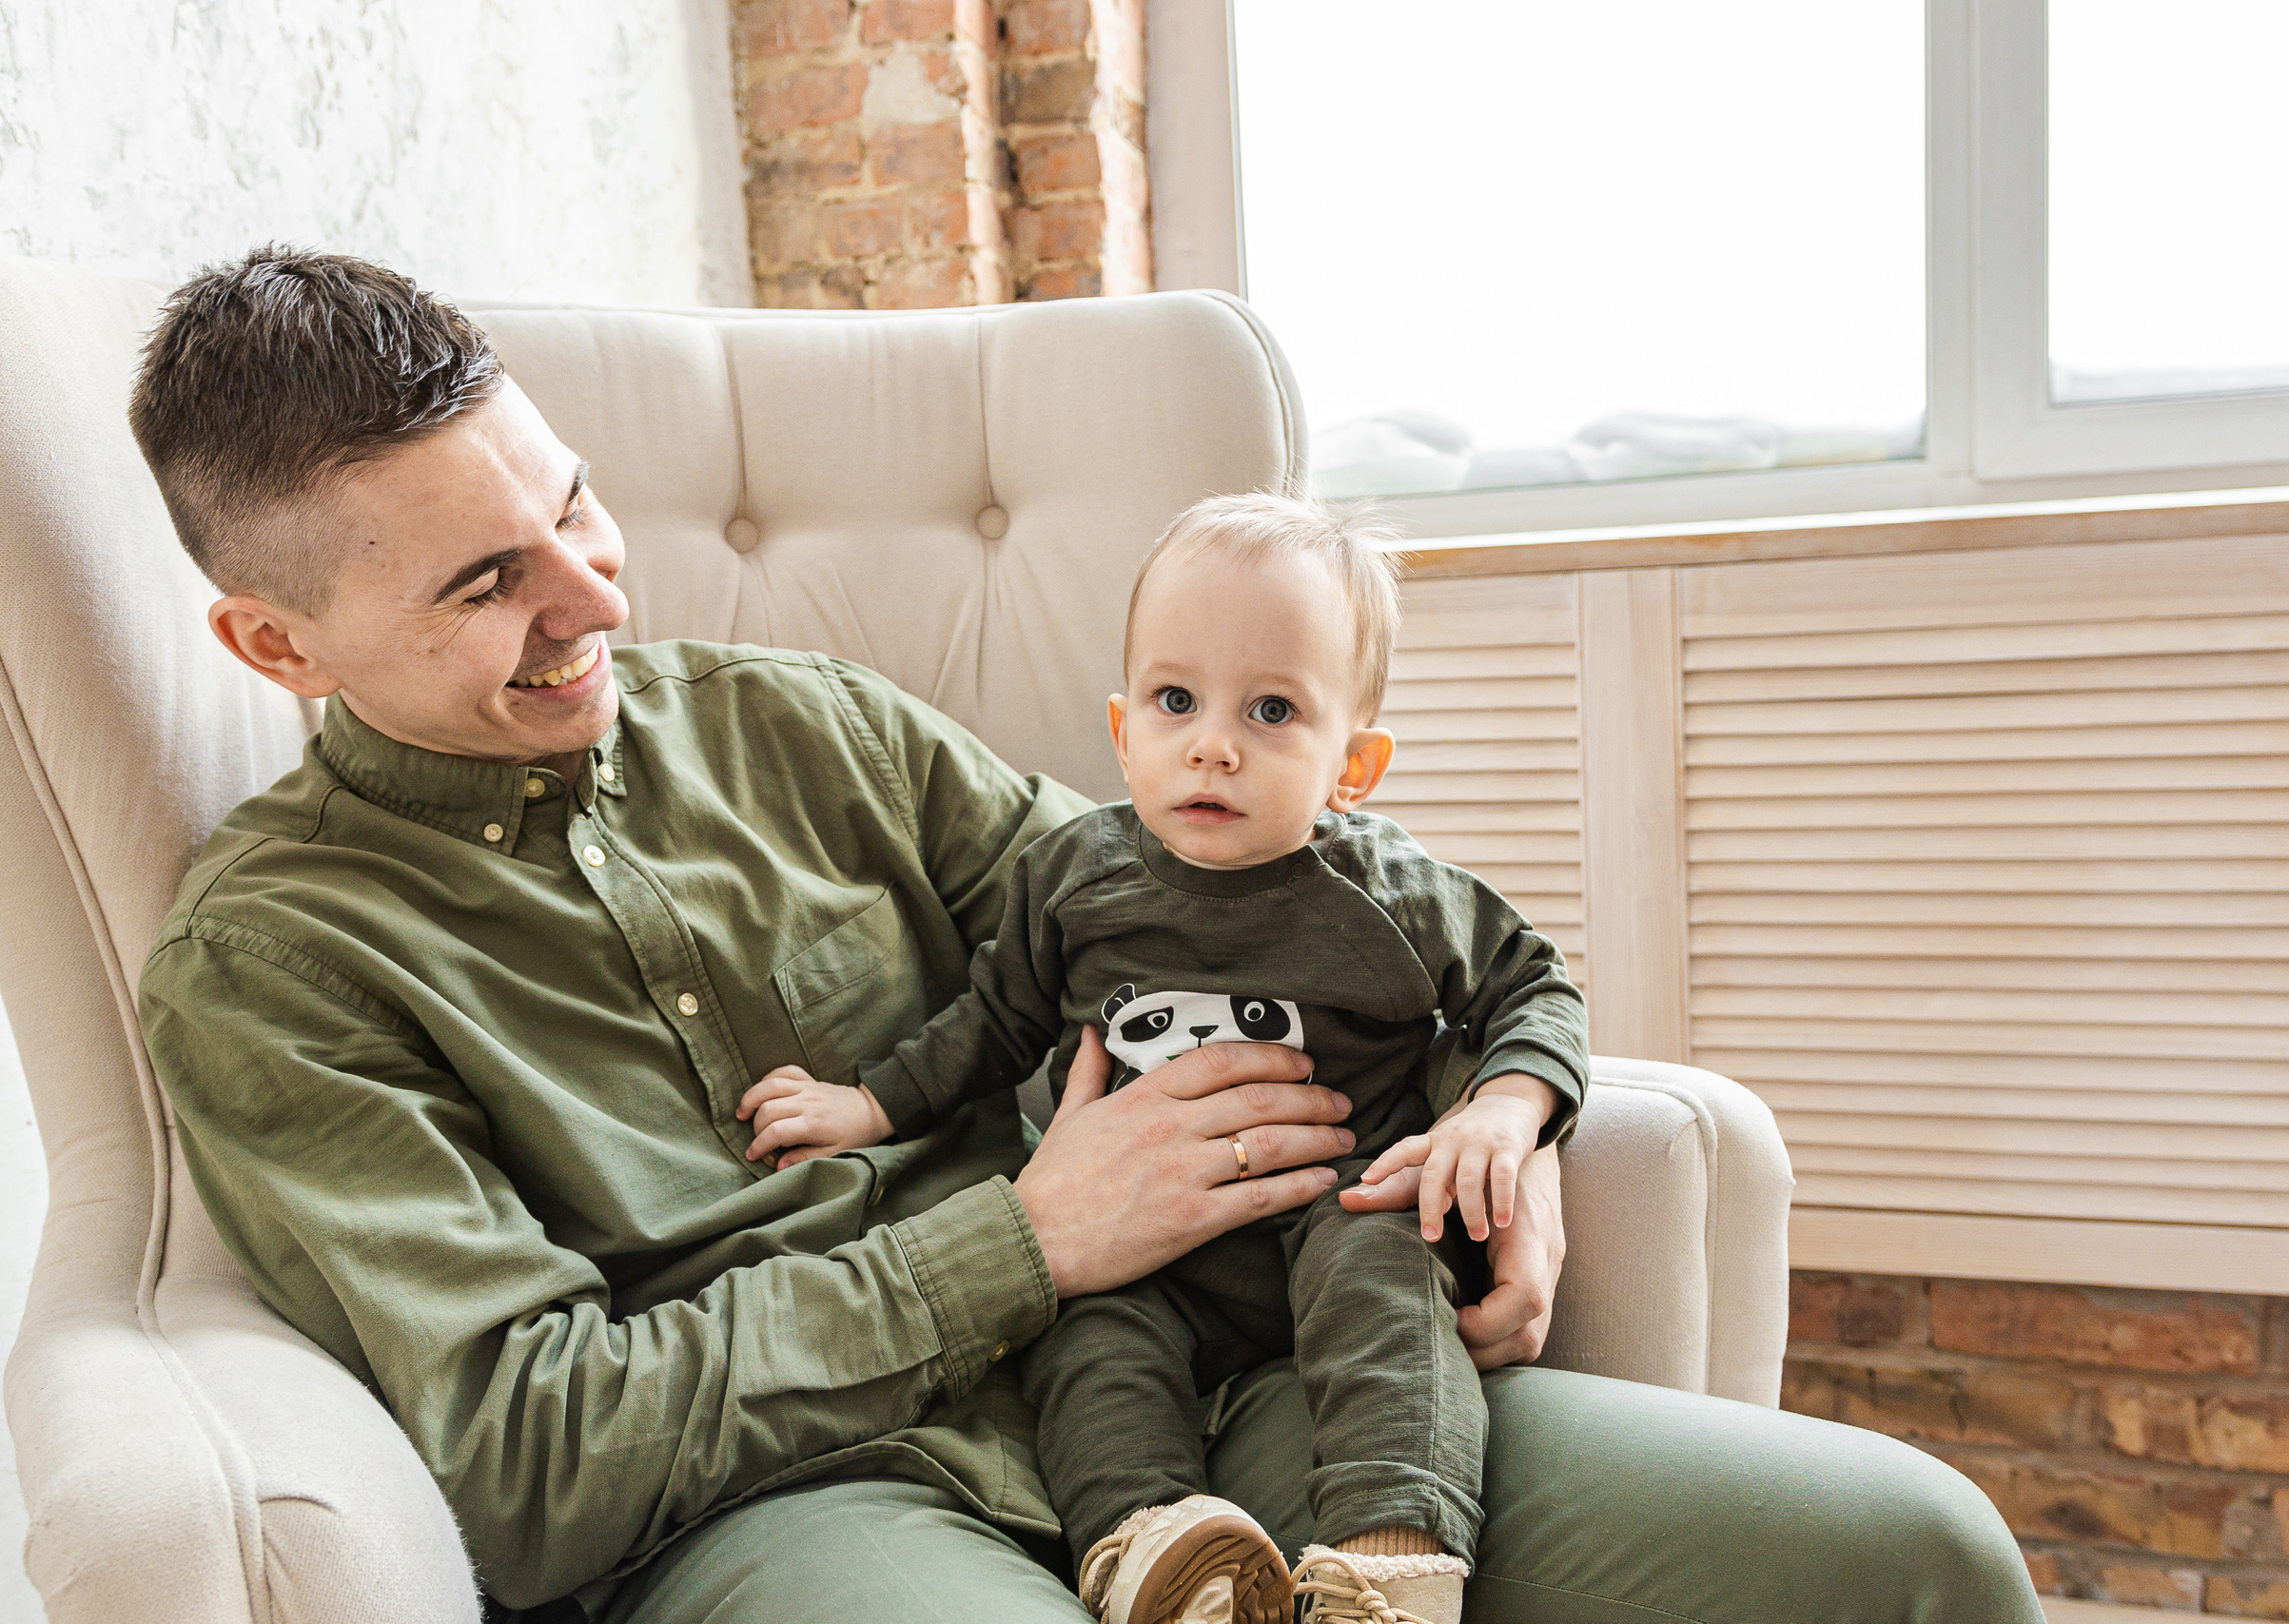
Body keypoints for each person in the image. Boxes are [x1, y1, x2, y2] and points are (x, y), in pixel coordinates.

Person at [130, 246, 2043, 1624]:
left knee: (1910, 1557)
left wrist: (1504, 1120)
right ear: (275, 644)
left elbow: (1243, 918)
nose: (594, 600)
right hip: (800, 1508)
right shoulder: (277, 967)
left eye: (578, 511)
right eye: (489, 583)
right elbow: (528, 1465)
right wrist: (1024, 1241)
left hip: (1214, 1377)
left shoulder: (809, 725)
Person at [734, 494, 1579, 1624]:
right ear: (1124, 729)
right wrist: (869, 1106)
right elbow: (992, 1023)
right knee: (1084, 1340)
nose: (1212, 744)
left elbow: (1534, 985)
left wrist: (1506, 1113)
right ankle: (1157, 1550)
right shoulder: (1072, 880)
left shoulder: (1392, 896)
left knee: (1385, 1277)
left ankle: (1391, 1564)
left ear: (1353, 766)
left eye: (1271, 710)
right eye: (1176, 701)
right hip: (1148, 1248)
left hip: (1337, 1207)